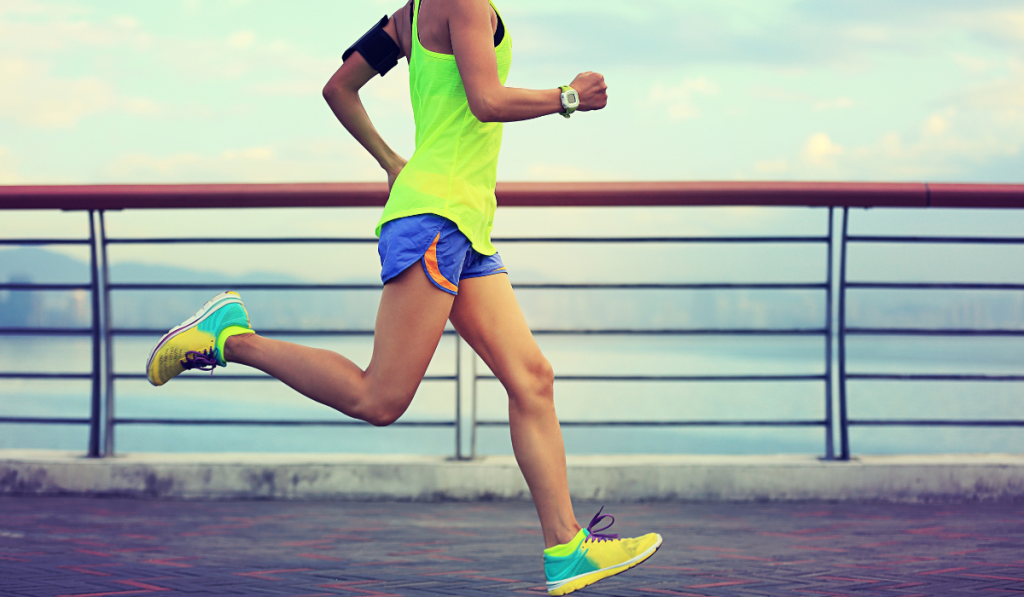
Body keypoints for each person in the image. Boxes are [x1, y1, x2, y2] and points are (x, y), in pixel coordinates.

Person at [145, 0, 661, 593]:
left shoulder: (409, 14)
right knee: (380, 398)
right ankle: (232, 338)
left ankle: (567, 548)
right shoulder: (464, 2)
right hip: (436, 221)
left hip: (461, 223)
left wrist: (393, 161)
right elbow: (486, 100)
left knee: (532, 379)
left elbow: (340, 87)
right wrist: (567, 96)